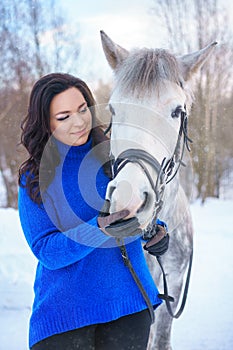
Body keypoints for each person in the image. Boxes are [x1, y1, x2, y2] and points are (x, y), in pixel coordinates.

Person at [18, 73, 164, 350]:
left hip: (129, 307)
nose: (79, 121)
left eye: (83, 109)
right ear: (45, 122)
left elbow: (136, 211)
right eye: (64, 116)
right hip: (65, 317)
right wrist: (98, 228)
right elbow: (47, 251)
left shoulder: (115, 158)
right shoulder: (35, 177)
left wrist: (154, 229)